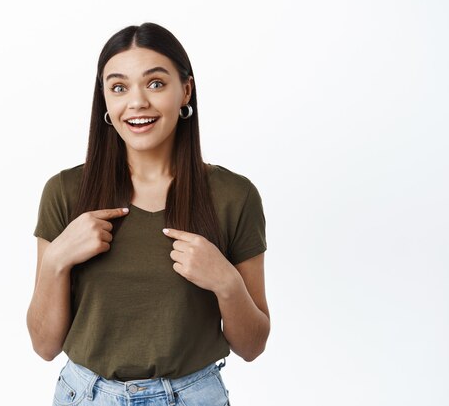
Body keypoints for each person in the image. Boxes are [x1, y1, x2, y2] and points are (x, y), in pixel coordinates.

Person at [26, 22, 270, 406]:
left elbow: (253, 345)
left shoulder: (233, 196)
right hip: (86, 396)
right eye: (119, 87)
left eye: (155, 83)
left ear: (185, 90)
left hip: (193, 396)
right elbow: (44, 345)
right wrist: (56, 260)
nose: (136, 102)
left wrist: (226, 282)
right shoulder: (65, 192)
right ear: (104, 99)